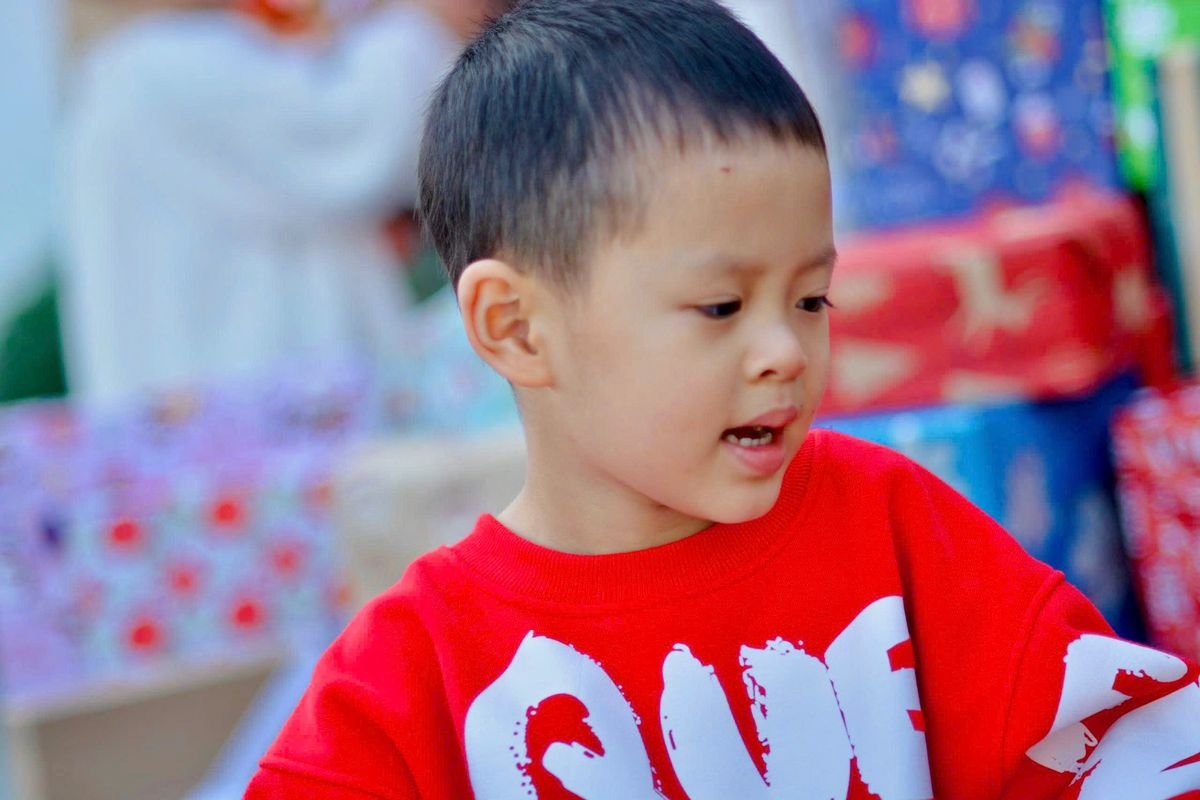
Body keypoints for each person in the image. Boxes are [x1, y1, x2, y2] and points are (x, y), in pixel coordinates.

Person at [246, 1, 1200, 797]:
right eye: (721, 306)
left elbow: (1133, 755)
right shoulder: (414, 676)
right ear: (518, 327)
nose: (785, 351)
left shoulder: (890, 527)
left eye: (811, 299)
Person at [60, 0, 499, 408]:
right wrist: (428, 18)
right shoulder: (156, 68)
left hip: (242, 419)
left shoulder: (133, 72)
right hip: (256, 422)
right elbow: (358, 131)